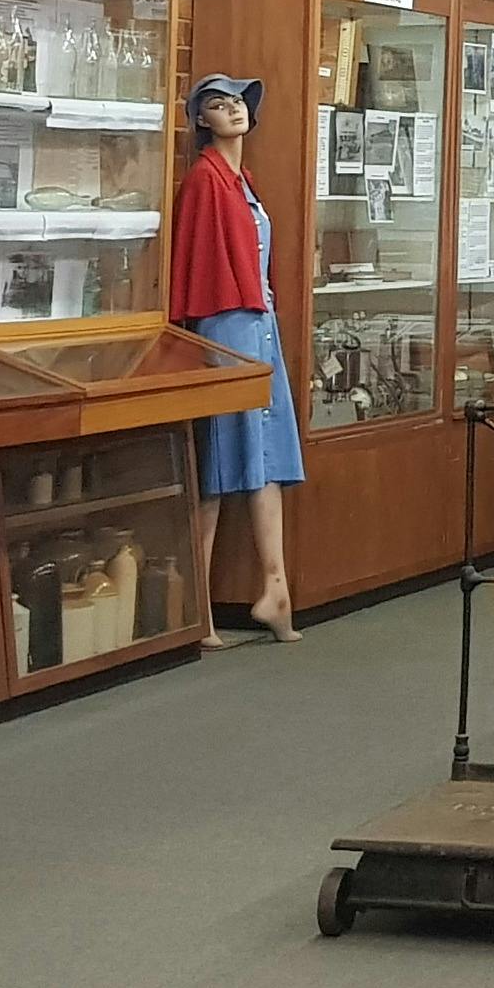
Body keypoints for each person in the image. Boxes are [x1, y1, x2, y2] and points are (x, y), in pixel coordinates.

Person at [177, 74, 302, 640]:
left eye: (238, 102)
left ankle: (277, 588)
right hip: (228, 320)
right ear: (202, 118)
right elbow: (199, 264)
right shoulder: (206, 179)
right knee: (224, 454)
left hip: (258, 318)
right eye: (218, 104)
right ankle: (197, 608)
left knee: (267, 450)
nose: (232, 110)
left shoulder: (240, 179)